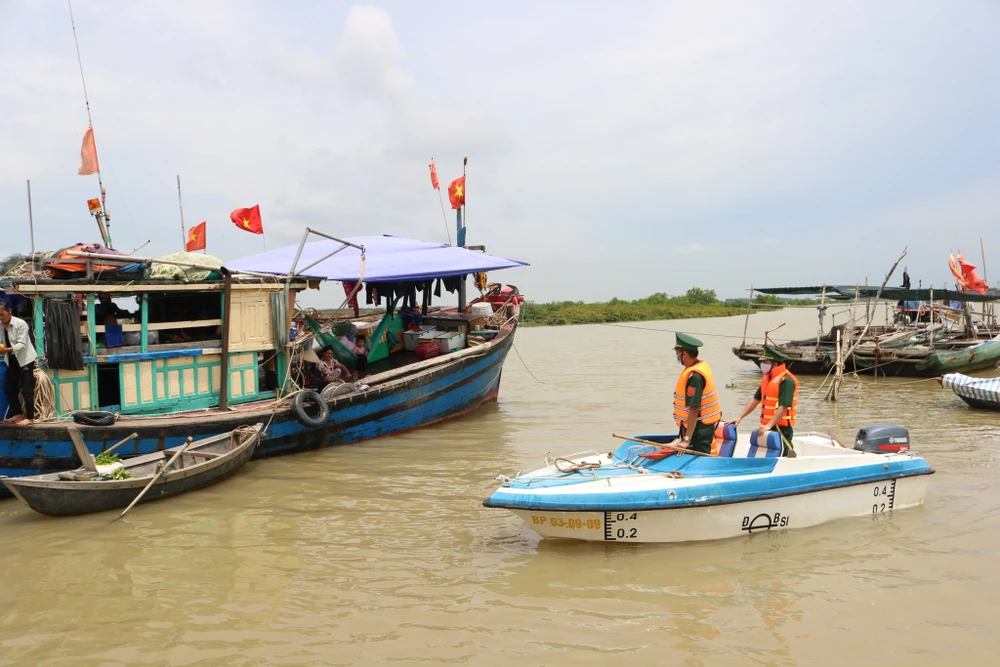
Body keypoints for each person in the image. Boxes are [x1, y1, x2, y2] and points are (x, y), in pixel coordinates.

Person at [727, 345, 799, 456]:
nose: (762, 364)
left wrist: (768, 425)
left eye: (766, 362)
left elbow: (783, 407)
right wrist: (739, 417)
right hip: (768, 427)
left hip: (782, 430)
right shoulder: (767, 378)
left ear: (775, 364)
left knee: (784, 454)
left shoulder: (786, 381)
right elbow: (755, 400)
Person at [671, 332, 722, 454]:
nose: (677, 356)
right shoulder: (698, 367)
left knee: (701, 460)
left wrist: (687, 439)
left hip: (699, 430)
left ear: (685, 354)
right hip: (695, 427)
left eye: (678, 353)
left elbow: (694, 409)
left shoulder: (695, 377)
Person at [0, 300, 38, 426]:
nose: (1, 317)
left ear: (10, 311)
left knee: (27, 389)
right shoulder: (0, 325)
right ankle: (18, 413)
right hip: (11, 358)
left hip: (25, 358)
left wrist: (7, 349)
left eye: (2, 314)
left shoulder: (20, 324)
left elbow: (22, 344)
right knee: (9, 387)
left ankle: (30, 417)